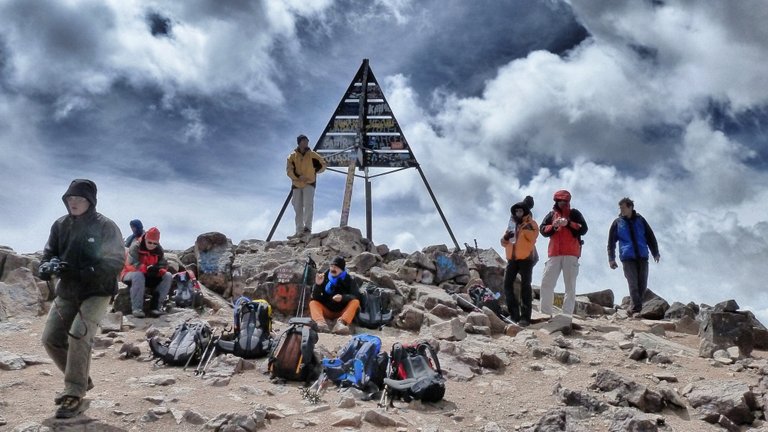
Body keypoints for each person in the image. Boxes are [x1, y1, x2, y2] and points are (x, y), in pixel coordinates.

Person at [39, 179, 124, 418]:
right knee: (50, 339)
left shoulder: (106, 226)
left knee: (79, 334)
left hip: (98, 291)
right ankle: (81, 379)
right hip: (67, 291)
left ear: (91, 201)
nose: (74, 202)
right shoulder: (60, 225)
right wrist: (46, 267)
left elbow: (115, 261)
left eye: (80, 198)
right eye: (70, 198)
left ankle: (73, 393)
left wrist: (83, 271)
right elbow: (49, 253)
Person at [607, 197, 660, 317]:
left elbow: (650, 237)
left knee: (643, 284)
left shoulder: (641, 220)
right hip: (627, 257)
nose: (621, 210)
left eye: (623, 208)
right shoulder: (617, 223)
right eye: (620, 208)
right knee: (633, 283)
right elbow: (611, 242)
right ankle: (636, 309)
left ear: (630, 207)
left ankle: (633, 307)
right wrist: (611, 258)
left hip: (642, 256)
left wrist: (655, 252)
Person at [538, 190, 588, 316]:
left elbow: (584, 229)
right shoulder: (551, 215)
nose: (562, 203)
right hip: (554, 254)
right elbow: (543, 230)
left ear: (568, 201)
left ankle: (566, 316)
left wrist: (569, 223)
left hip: (571, 254)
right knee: (546, 283)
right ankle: (545, 314)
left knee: (570, 286)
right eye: (559, 201)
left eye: (564, 201)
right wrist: (553, 226)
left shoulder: (574, 213)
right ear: (556, 201)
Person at [500, 196, 538, 326]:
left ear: (526, 212)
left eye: (521, 211)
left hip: (526, 259)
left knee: (525, 287)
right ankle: (514, 314)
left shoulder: (531, 224)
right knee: (507, 285)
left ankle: (525, 318)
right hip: (512, 259)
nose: (518, 213)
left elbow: (532, 238)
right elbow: (503, 243)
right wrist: (506, 237)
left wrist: (521, 228)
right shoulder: (512, 224)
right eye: (516, 211)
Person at [119, 226, 172, 318]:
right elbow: (130, 264)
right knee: (138, 275)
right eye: (149, 242)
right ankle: (137, 308)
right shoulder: (135, 246)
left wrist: (157, 270)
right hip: (130, 274)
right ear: (145, 238)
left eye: (155, 243)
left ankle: (156, 308)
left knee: (167, 276)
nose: (152, 245)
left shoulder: (159, 251)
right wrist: (145, 269)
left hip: (147, 275)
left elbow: (164, 265)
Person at [286, 134, 327, 238]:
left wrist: (313, 173)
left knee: (308, 205)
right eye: (304, 140)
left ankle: (307, 228)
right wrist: (298, 177)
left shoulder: (312, 155)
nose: (306, 142)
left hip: (309, 183)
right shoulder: (292, 156)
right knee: (297, 207)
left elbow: (323, 164)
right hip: (296, 184)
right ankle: (299, 231)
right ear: (299, 142)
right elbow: (289, 170)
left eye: (307, 140)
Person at [309, 256, 360, 335]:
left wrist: (343, 298)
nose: (333, 269)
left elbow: (356, 296)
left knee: (355, 302)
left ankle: (341, 324)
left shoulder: (349, 279)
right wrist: (318, 285)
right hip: (327, 309)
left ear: (342, 269)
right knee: (313, 303)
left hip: (342, 311)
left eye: (336, 267)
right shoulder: (323, 277)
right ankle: (321, 324)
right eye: (331, 266)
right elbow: (316, 298)